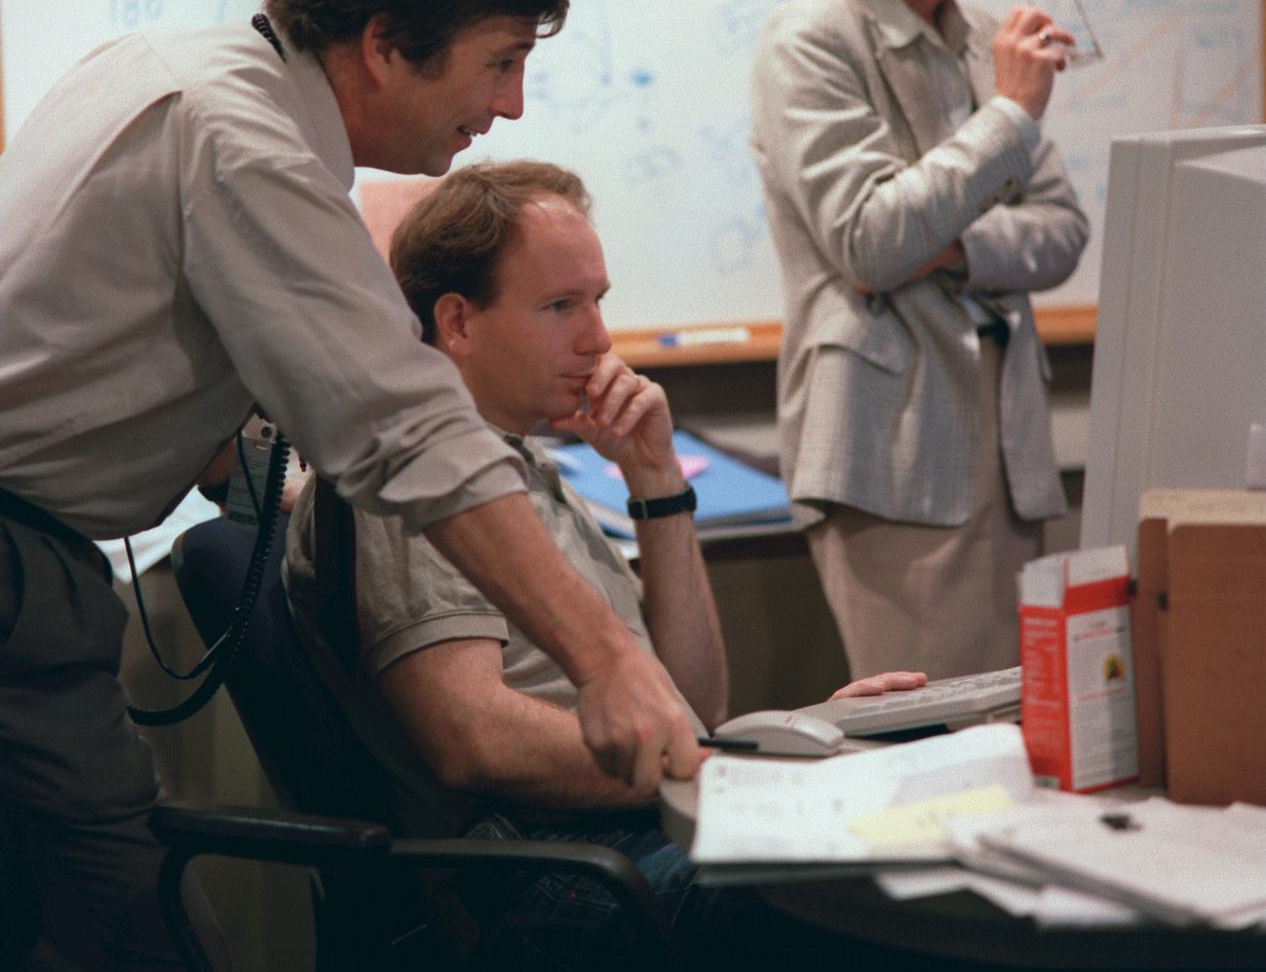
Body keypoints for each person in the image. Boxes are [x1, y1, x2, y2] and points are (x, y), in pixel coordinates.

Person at [0, 0, 699, 970]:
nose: (510, 103)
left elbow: (122, 360)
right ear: (383, 44)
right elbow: (405, 427)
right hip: (17, 566)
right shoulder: (247, 148)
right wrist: (607, 656)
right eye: (499, 60)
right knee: (130, 932)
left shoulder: (161, 69)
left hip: (37, 558)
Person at [284, 159, 926, 964]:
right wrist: (739, 765)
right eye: (559, 306)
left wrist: (654, 482)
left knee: (919, 833)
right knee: (885, 892)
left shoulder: (524, 468)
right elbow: (473, 736)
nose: (597, 338)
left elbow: (688, 703)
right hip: (551, 874)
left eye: (597, 301)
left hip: (627, 836)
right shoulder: (414, 483)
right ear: (457, 322)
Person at [750, 0, 1089, 682]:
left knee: (1020, 735)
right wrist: (1009, 120)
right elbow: (867, 243)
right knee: (935, 739)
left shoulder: (982, 41)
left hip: (1007, 442)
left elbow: (1060, 230)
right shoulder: (810, 37)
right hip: (890, 450)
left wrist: (952, 245)